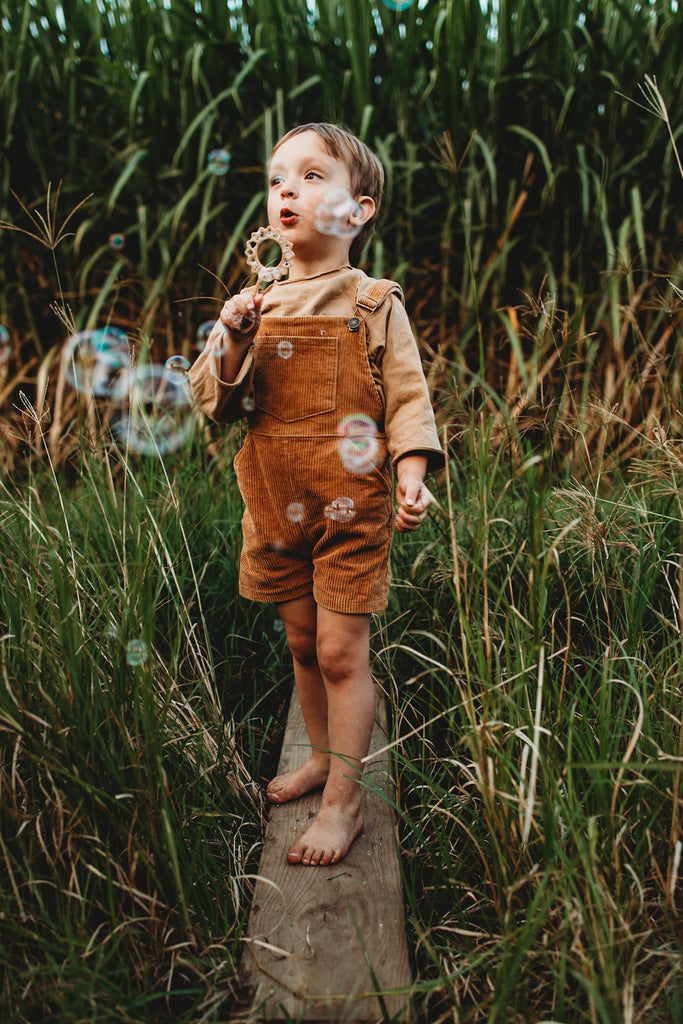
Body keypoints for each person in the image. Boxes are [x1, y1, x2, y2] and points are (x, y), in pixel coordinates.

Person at [190, 122, 443, 867]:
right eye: (276, 180)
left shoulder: (370, 301)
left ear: (358, 210)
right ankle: (319, 758)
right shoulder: (253, 305)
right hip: (272, 505)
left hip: (350, 508)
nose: (286, 191)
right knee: (301, 644)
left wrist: (410, 475)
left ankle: (343, 799)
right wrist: (232, 338)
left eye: (310, 176)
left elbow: (404, 396)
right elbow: (214, 402)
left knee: (339, 653)